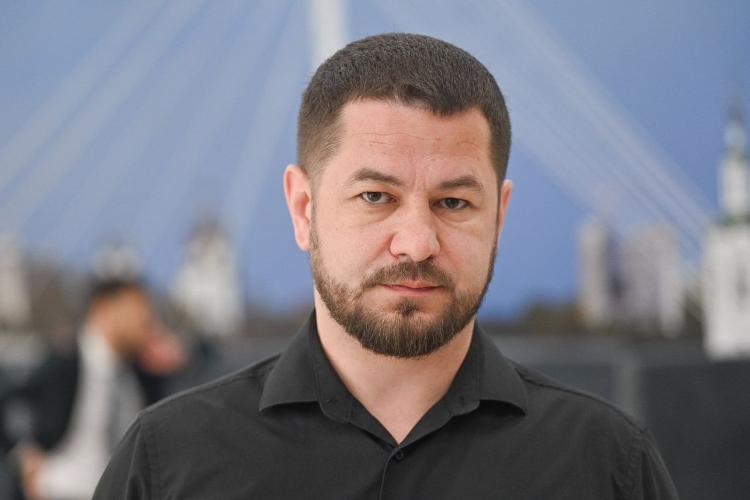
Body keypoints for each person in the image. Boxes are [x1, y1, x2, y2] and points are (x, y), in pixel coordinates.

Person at [94, 33, 679, 499]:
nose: (417, 243)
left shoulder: (607, 465)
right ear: (303, 209)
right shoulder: (169, 462)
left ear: (499, 216)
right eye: (376, 196)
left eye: (455, 202)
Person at [2, 278, 184, 500]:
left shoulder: (140, 374)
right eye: (137, 309)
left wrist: (174, 365)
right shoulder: (65, 361)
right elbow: (10, 399)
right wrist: (19, 455)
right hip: (59, 490)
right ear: (104, 309)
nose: (145, 320)